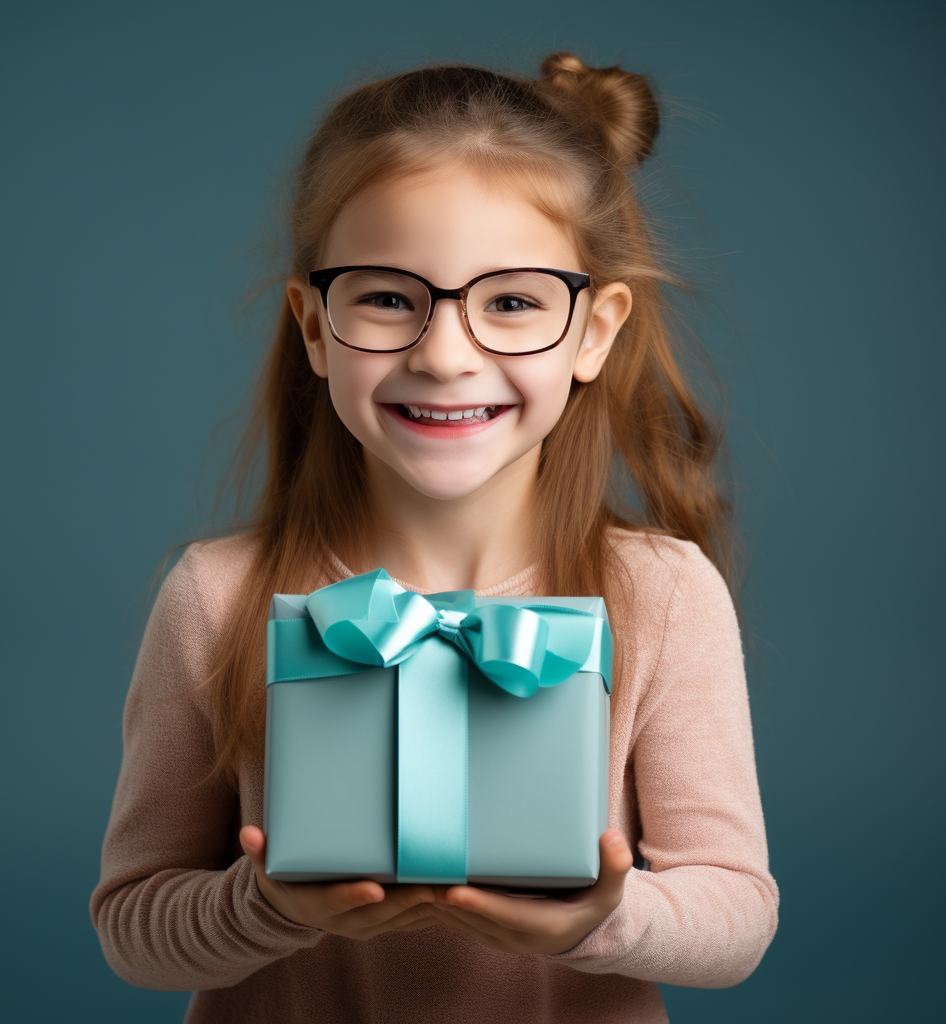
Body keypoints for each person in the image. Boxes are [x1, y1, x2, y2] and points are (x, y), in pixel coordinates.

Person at [90, 52, 778, 1023]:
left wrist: (599, 916)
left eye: (511, 301)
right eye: (385, 297)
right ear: (315, 326)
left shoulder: (660, 594)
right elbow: (133, 928)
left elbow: (736, 916)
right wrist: (262, 904)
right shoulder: (217, 596)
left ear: (592, 330)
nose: (445, 354)